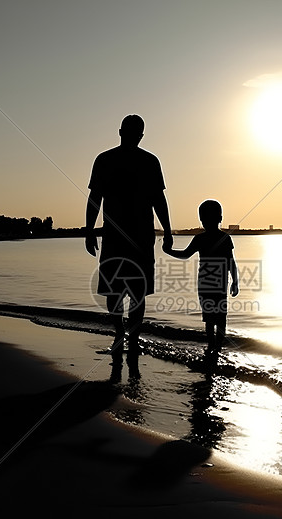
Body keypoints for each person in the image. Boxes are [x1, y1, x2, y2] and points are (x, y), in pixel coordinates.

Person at [85, 115, 173, 356]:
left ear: (139, 136)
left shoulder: (150, 162)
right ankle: (120, 335)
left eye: (136, 134)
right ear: (121, 132)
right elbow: (95, 198)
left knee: (136, 291)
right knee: (116, 292)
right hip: (115, 236)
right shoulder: (104, 160)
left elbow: (158, 200)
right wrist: (89, 230)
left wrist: (167, 230)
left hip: (141, 236)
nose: (133, 136)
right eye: (130, 132)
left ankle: (131, 339)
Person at [163, 199, 239, 352]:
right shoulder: (208, 238)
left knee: (212, 318)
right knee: (216, 318)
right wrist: (235, 281)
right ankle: (215, 346)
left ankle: (214, 346)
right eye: (203, 218)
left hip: (211, 283)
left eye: (205, 218)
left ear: (218, 219)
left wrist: (235, 281)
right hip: (213, 284)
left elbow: (230, 262)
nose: (204, 221)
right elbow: (231, 262)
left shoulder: (212, 238)